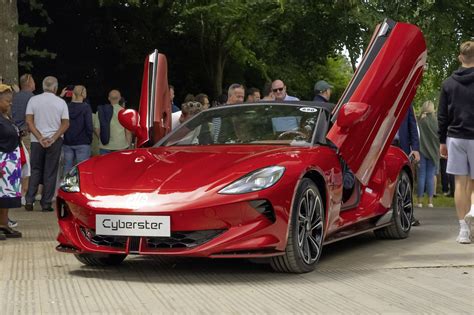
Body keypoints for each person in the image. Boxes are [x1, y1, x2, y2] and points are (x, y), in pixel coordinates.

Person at [438, 40, 474, 244]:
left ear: (460, 57)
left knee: (460, 182)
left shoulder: (448, 83)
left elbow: (442, 115)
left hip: (455, 137)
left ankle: (463, 231)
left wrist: (442, 141)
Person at [24, 76, 69, 212]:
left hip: (36, 140)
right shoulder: (61, 103)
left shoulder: (33, 100)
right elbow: (65, 123)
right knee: (50, 171)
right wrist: (53, 138)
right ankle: (46, 203)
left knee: (35, 169)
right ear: (55, 88)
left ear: (43, 86)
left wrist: (40, 137)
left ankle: (30, 200)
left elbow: (29, 121)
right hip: (54, 141)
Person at [0, 84, 23, 239]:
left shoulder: (5, 116)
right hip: (2, 162)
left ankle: (3, 224)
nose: (10, 103)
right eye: (7, 100)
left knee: (6, 197)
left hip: (11, 162)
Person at [393, 104, 421, 225]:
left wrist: (415, 148)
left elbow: (412, 125)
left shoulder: (406, 104)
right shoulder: (381, 100)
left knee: (405, 180)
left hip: (402, 146)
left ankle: (407, 215)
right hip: (385, 146)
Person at [11, 73, 35, 204]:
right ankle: (24, 194)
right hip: (26, 135)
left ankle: (14, 191)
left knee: (16, 164)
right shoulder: (32, 98)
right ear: (29, 83)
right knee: (27, 166)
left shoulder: (14, 96)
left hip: (13, 134)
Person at [63, 86, 93, 174]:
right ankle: (81, 187)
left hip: (67, 142)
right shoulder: (86, 107)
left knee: (67, 167)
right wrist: (89, 139)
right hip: (83, 142)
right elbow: (89, 126)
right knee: (82, 168)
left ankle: (66, 186)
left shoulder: (66, 106)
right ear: (83, 93)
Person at [416, 101, 439, 208]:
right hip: (433, 152)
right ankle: (430, 202)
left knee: (421, 176)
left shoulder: (421, 120)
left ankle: (419, 201)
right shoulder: (436, 121)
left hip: (422, 150)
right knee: (430, 176)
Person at [94, 90, 132, 154]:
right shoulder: (125, 112)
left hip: (104, 147)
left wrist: (103, 139)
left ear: (109, 98)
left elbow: (96, 129)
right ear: (120, 98)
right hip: (121, 146)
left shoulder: (100, 112)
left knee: (105, 164)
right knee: (119, 164)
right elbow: (128, 131)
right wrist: (128, 145)